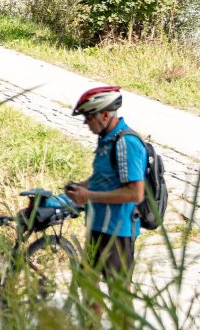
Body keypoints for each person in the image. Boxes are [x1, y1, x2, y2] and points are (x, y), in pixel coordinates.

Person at [64, 85, 146, 289]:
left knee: (119, 296)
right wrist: (80, 187)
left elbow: (135, 193)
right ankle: (92, 323)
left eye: (88, 117)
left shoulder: (126, 143)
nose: (85, 122)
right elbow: (104, 178)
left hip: (117, 233)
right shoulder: (106, 140)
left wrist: (88, 195)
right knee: (89, 289)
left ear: (105, 114)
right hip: (98, 227)